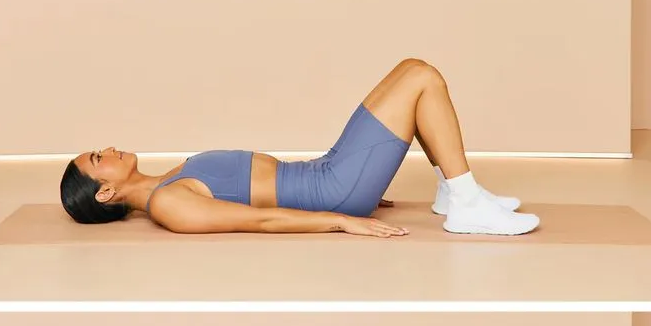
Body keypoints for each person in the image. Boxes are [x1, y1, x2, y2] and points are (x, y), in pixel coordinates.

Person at [60, 59, 539, 238]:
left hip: (326, 175)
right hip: (331, 189)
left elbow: (260, 195)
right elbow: (262, 219)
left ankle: (453, 191)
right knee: (419, 79)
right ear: (104, 194)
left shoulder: (169, 179)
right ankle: (466, 202)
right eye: (99, 159)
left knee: (412, 72)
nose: (108, 149)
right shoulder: (168, 203)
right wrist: (341, 216)